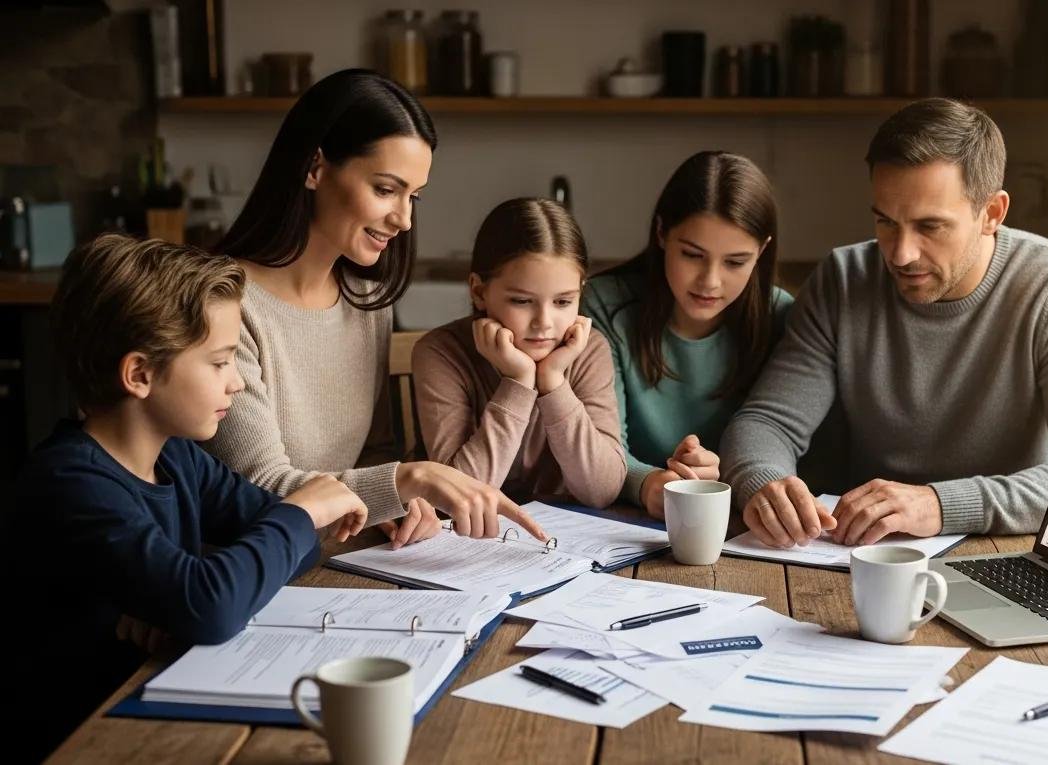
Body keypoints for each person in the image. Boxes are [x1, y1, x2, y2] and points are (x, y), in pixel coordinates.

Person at [12, 235, 368, 760]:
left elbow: (296, 547)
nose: (238, 384)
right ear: (139, 374)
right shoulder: (70, 484)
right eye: (220, 362)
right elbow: (219, 601)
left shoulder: (176, 457)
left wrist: (185, 594)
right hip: (80, 740)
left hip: (150, 707)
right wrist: (207, 586)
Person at [722, 98, 1048, 548]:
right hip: (865, 556)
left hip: (1005, 548)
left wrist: (939, 504)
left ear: (992, 214)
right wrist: (764, 481)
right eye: (885, 222)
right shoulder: (843, 279)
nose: (900, 254)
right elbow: (767, 423)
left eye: (931, 227)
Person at [205, 68, 545, 543]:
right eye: (385, 189)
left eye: (414, 197)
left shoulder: (367, 302)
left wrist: (403, 505)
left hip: (347, 563)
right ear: (315, 167)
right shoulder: (223, 304)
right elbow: (259, 487)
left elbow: (372, 454)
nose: (403, 219)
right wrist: (406, 480)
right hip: (255, 570)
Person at [581, 151, 793, 517]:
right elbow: (599, 444)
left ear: (762, 251)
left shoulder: (783, 317)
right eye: (693, 255)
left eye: (735, 262)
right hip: (622, 519)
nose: (710, 281)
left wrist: (726, 474)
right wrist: (649, 484)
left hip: (738, 524)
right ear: (662, 233)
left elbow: (787, 447)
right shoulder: (603, 306)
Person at [413, 198, 625, 508]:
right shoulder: (439, 353)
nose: (544, 323)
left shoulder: (589, 350)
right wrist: (519, 382)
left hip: (564, 541)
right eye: (522, 301)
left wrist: (553, 382)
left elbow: (602, 490)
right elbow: (456, 497)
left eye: (563, 302)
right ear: (478, 291)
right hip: (461, 540)